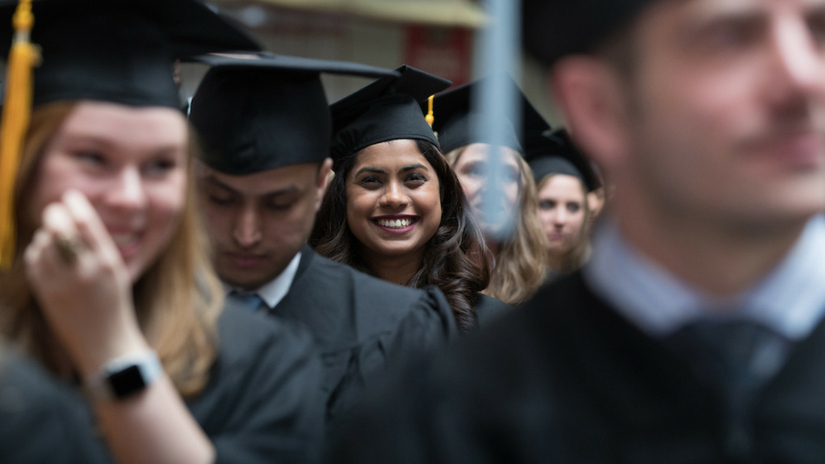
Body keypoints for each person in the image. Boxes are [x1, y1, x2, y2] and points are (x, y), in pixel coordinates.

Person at [327, 0, 825, 462]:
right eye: (730, 37)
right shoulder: (438, 417)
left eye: (821, 32)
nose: (804, 77)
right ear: (598, 108)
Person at [0, 2, 323, 463]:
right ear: (22, 167)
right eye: (92, 157)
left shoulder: (262, 363)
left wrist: (111, 349)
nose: (130, 198)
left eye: (160, 165)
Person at [187, 52, 457, 429]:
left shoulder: (398, 327)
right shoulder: (130, 306)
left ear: (320, 185)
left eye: (279, 203)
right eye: (221, 199)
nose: (246, 233)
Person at [310, 66, 510, 333]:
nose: (394, 197)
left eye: (414, 178)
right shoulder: (305, 320)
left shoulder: (492, 325)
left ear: (443, 192)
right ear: (343, 196)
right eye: (371, 180)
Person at [431, 79, 549, 306]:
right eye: (476, 170)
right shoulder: (416, 286)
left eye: (507, 174)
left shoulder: (544, 297)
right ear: (443, 183)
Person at [526, 128, 601, 276]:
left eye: (573, 207)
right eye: (546, 204)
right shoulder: (492, 283)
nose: (560, 220)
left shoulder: (601, 282)